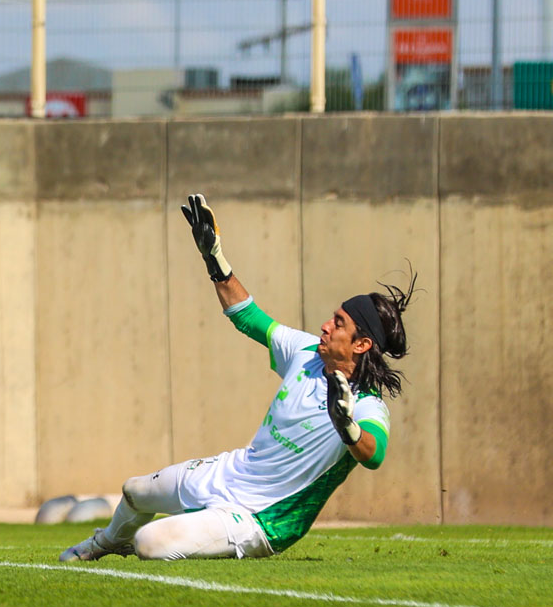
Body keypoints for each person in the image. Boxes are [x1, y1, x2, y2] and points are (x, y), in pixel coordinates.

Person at [59, 193, 414, 562]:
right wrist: (214, 258)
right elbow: (247, 316)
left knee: (149, 543)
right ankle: (104, 543)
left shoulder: (367, 405)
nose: (326, 325)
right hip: (230, 472)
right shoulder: (306, 351)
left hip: (260, 520)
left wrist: (347, 427)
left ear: (362, 344)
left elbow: (374, 454)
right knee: (134, 491)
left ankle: (184, 536)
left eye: (339, 323)